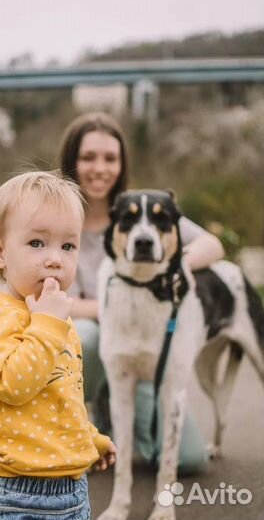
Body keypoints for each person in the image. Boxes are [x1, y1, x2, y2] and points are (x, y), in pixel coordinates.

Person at [58, 112, 225, 474]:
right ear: (71, 160)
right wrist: (105, 306)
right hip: (92, 337)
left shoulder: (142, 213)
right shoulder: (56, 215)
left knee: (190, 458)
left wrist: (173, 264)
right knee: (84, 336)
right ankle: (75, 421)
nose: (99, 168)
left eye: (110, 158)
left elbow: (212, 245)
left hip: (143, 343)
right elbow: (45, 295)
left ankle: (119, 419)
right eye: (88, 157)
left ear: (122, 164)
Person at [0, 171, 116, 519]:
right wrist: (48, 323)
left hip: (72, 491)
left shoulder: (58, 320)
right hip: (9, 493)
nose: (55, 258)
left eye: (68, 246)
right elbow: (15, 385)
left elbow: (60, 397)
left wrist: (89, 439)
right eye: (37, 243)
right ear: (0, 252)